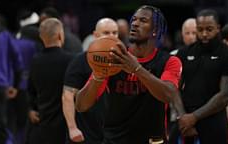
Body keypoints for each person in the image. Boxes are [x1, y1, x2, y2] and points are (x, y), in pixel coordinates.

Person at [75, 5, 187, 144]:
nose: (135, 23)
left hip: (152, 140)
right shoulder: (114, 58)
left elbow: (169, 94)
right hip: (115, 140)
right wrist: (98, 76)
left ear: (155, 31)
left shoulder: (169, 61)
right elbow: (81, 105)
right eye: (134, 19)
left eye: (143, 20)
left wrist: (137, 69)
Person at [176, 9, 228, 144]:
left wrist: (194, 117)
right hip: (185, 122)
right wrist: (183, 118)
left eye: (209, 29)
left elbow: (225, 95)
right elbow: (174, 87)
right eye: (200, 29)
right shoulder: (182, 53)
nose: (204, 34)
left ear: (218, 28)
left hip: (214, 122)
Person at [62, 17, 119, 143]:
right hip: (86, 131)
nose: (111, 36)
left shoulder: (124, 61)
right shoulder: (80, 60)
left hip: (113, 133)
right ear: (95, 35)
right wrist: (72, 128)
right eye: (106, 33)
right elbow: (68, 95)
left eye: (115, 33)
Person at [27, 18, 73, 144]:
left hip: (42, 124)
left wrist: (30, 109)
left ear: (41, 37)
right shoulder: (71, 60)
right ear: (60, 35)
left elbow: (30, 90)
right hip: (66, 127)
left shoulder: (35, 61)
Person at [0, 13, 24, 144]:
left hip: (0, 86)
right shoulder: (5, 36)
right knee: (0, 125)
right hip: (1, 86)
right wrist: (15, 86)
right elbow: (18, 62)